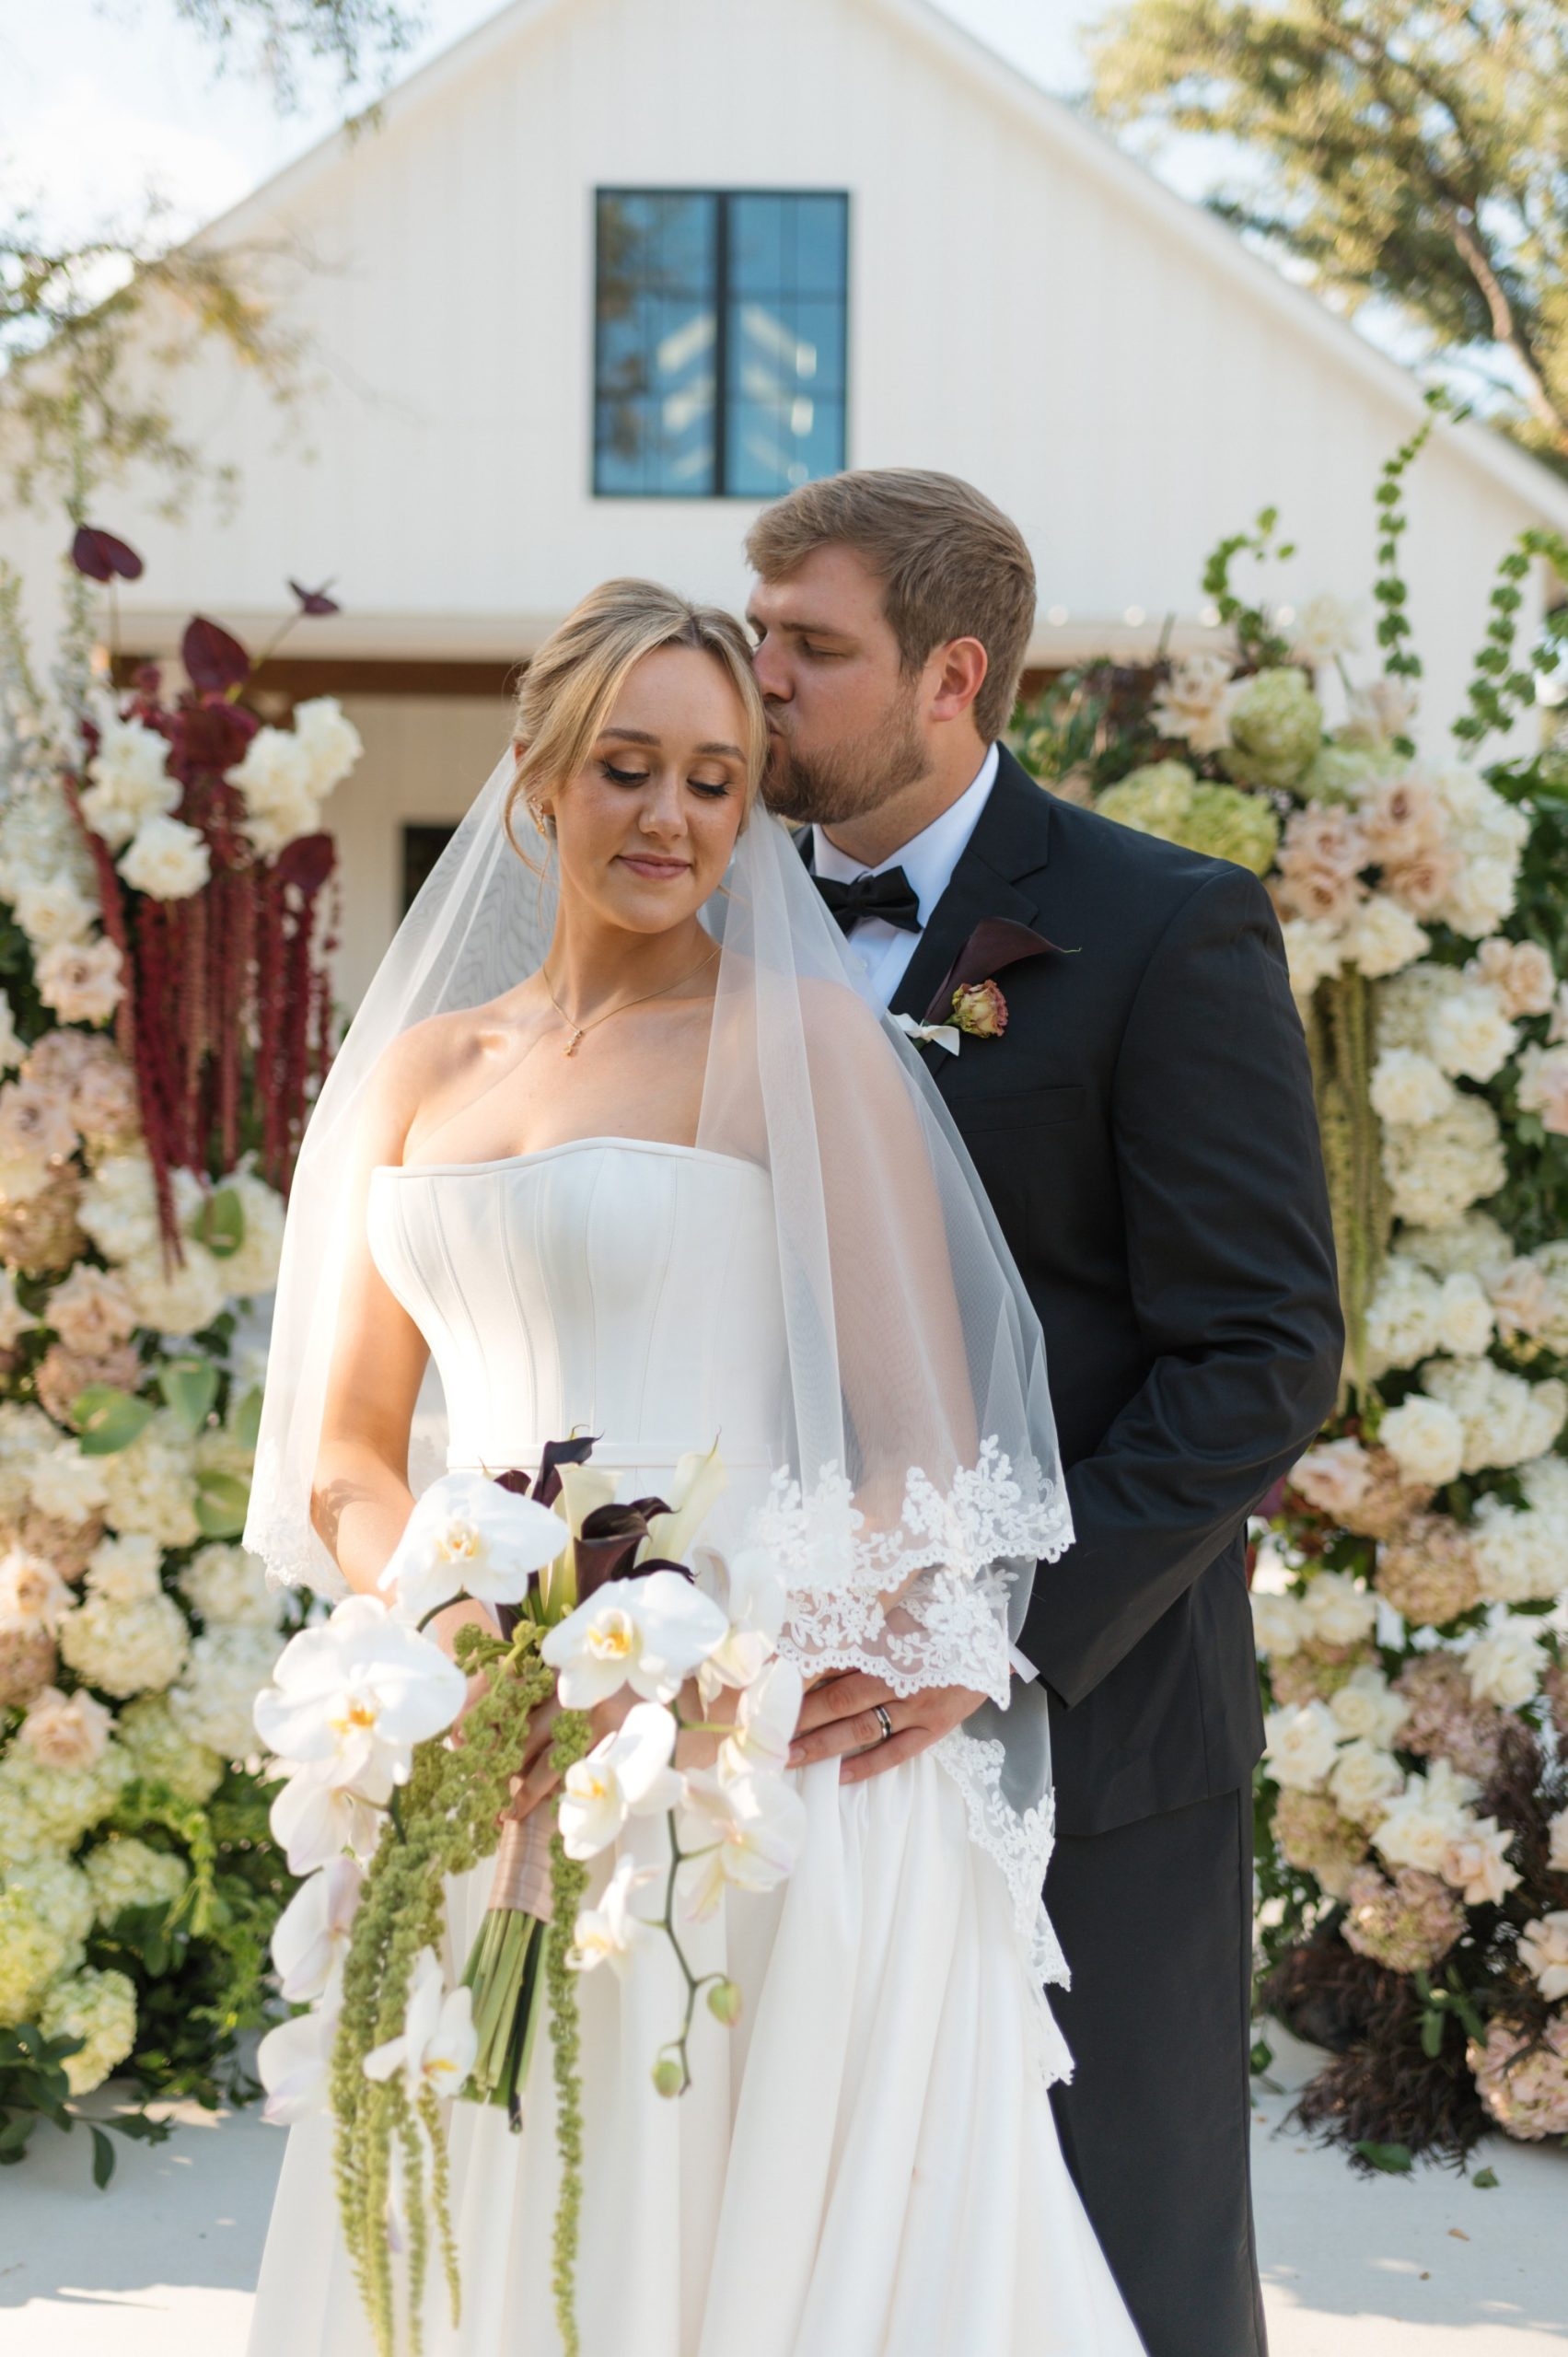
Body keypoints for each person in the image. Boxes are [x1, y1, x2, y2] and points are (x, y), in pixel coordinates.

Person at [244, 578, 1146, 2354]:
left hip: (749, 1754)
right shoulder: (418, 1072)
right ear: (538, 778)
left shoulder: (803, 1049)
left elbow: (918, 1449)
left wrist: (711, 1677)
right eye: (626, 767)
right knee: (471, 2203)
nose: (669, 817)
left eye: (718, 782)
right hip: (480, 1740)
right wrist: (454, 1655)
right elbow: (350, 1446)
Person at [749, 469, 1342, 2357]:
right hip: (760, 1721)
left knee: (1115, 2273)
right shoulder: (705, 921)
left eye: (810, 650)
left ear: (952, 675)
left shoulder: (1165, 926)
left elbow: (1260, 1350)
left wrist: (986, 1625)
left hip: (1087, 1735)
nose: (759, 682)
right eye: (755, 637)